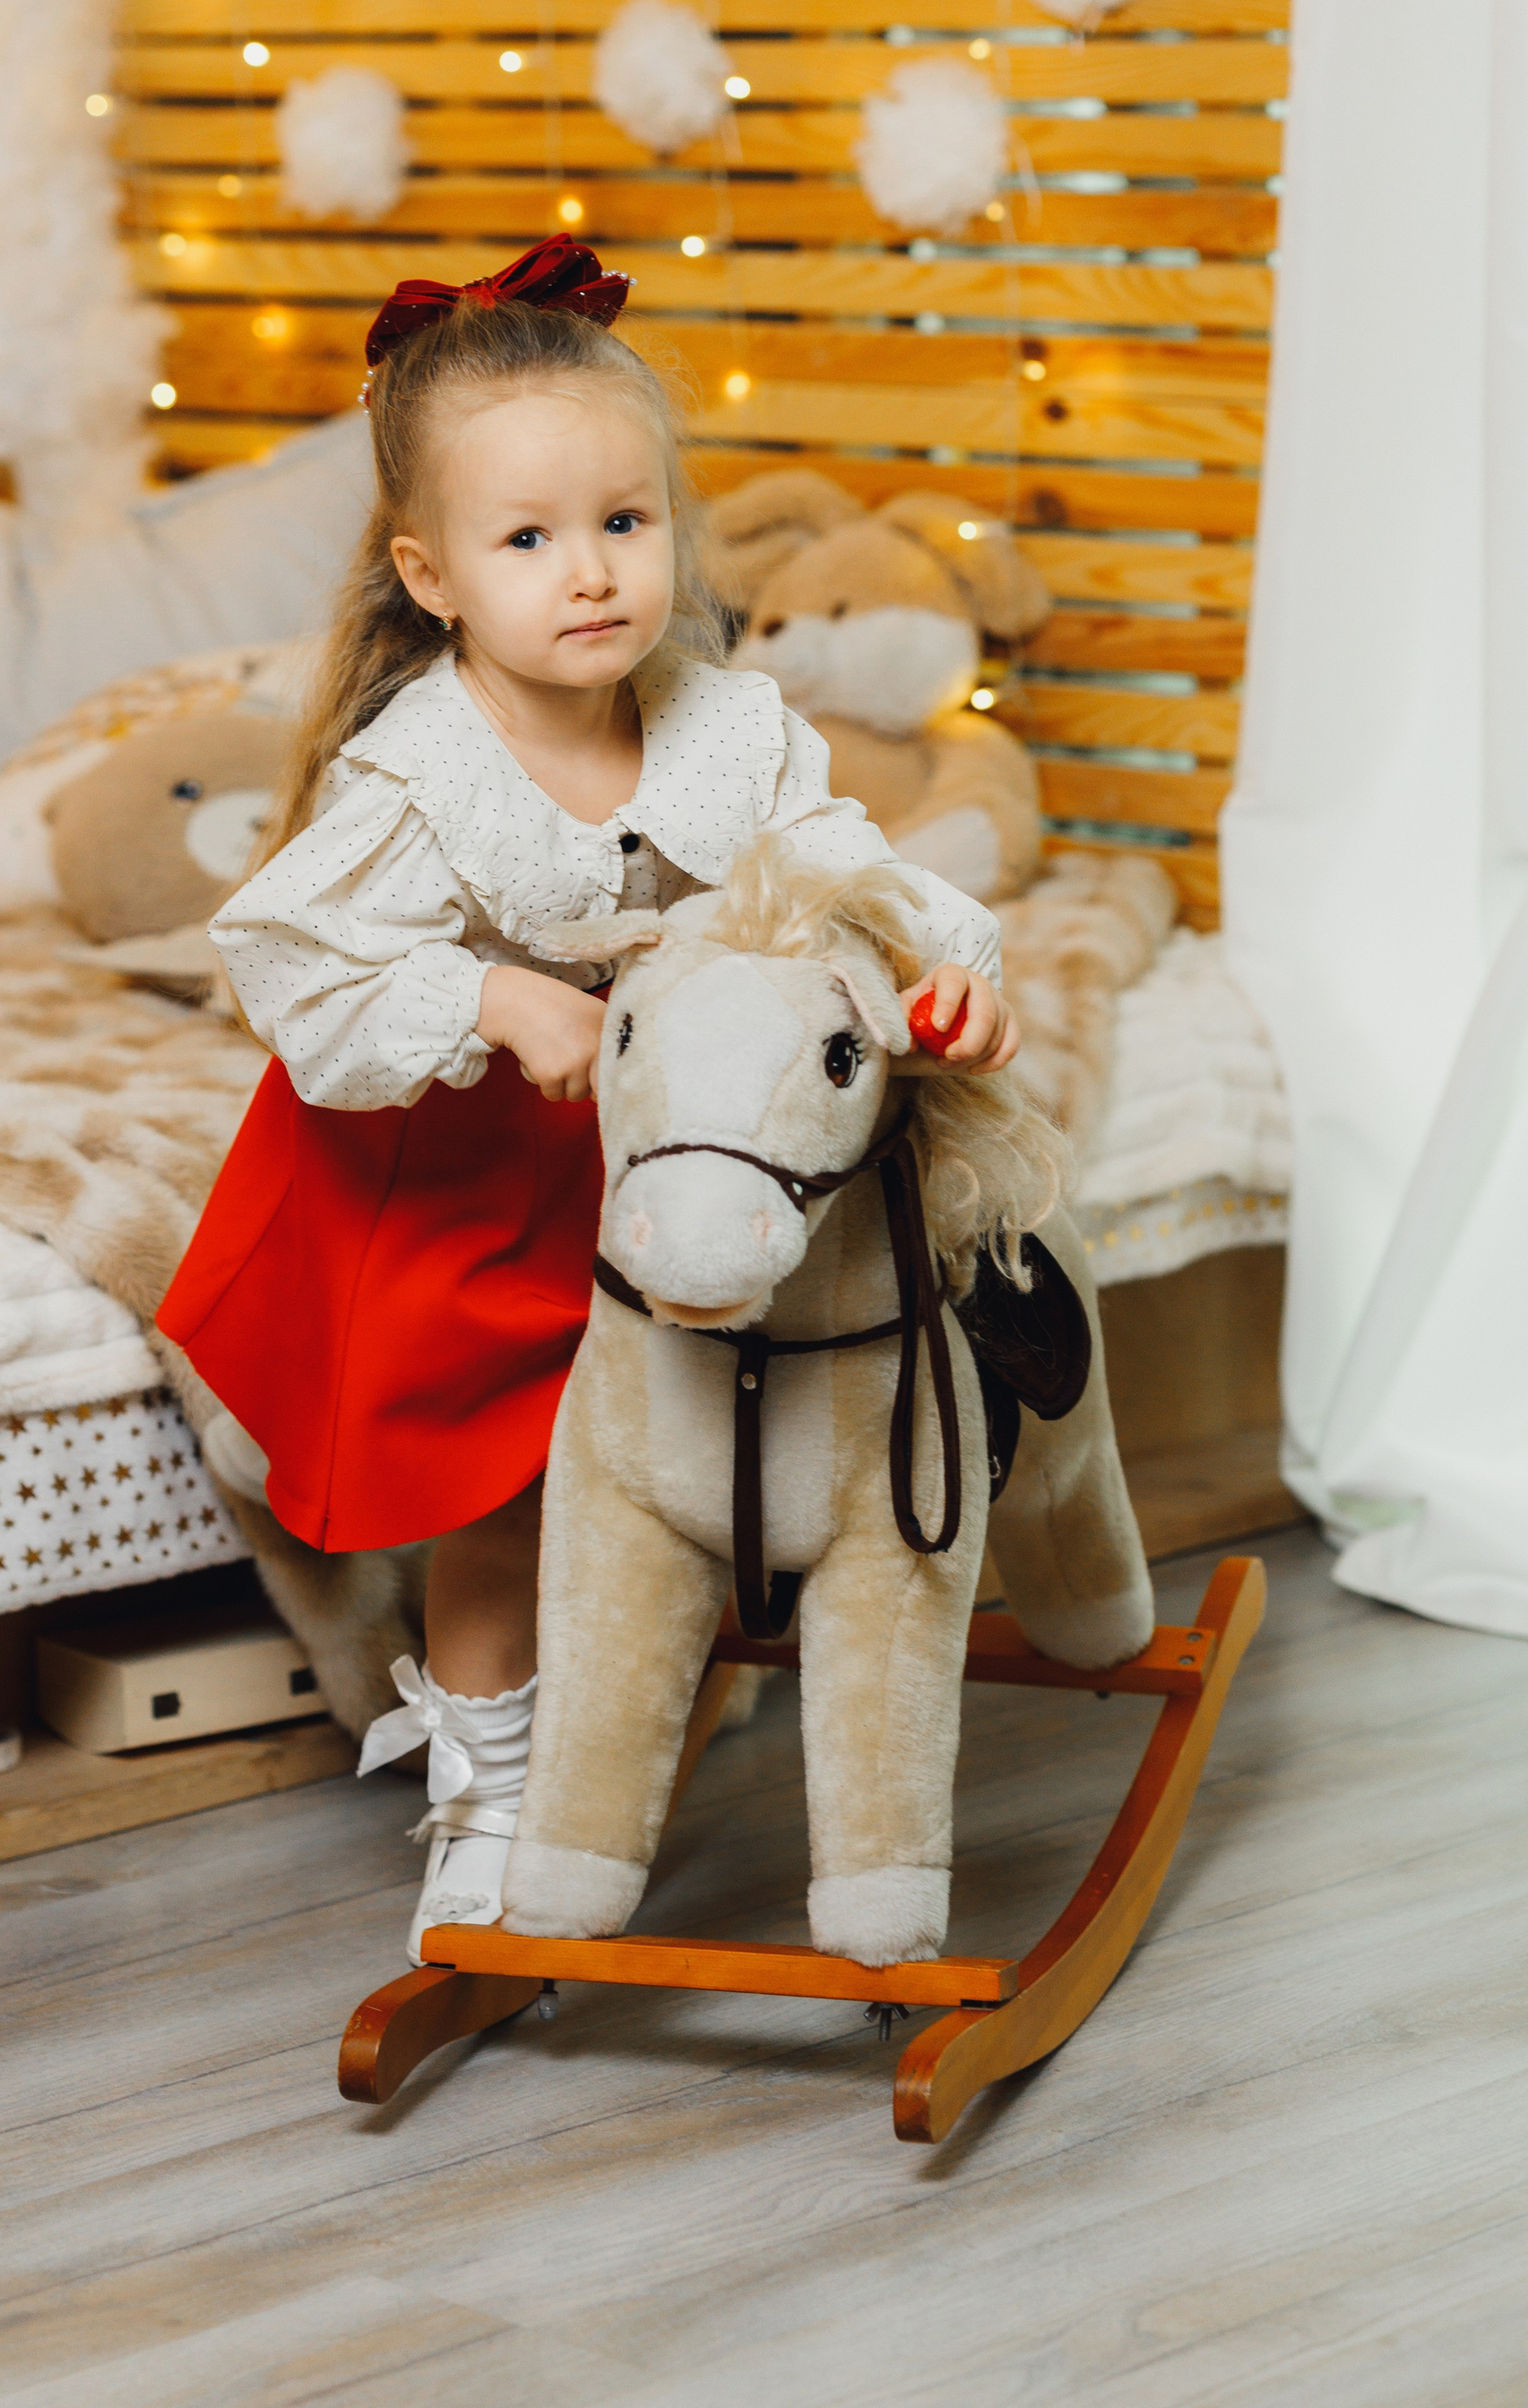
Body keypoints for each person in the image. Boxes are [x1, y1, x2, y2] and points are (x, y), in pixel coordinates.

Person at [158, 236, 1021, 1960]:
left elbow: (842, 864)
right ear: (432, 575)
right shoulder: (423, 769)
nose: (592, 574)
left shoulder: (728, 728)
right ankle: (490, 1793)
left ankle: (651, 1719)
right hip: (477, 1169)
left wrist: (948, 965)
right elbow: (293, 957)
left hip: (680, 1145)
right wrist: (488, 993)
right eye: (529, 540)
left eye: (625, 522)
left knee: (693, 1442)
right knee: (518, 1487)